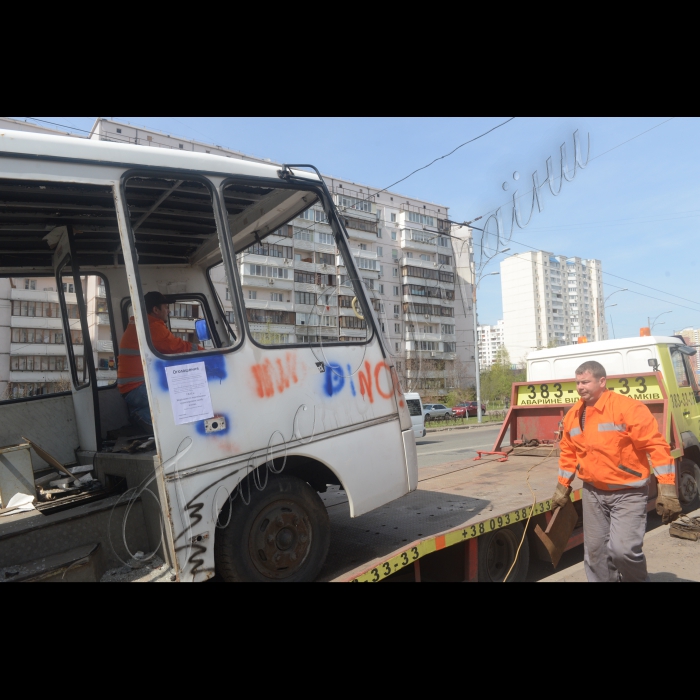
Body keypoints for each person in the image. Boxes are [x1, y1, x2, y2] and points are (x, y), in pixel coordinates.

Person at [551, 360, 682, 582]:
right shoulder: (574, 414)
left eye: (585, 382)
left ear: (602, 381)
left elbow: (657, 447)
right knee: (595, 553)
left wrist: (667, 488)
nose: (580, 387)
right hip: (593, 493)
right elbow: (569, 453)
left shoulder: (628, 408)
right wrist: (562, 487)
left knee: (624, 551)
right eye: (577, 382)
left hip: (628, 492)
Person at [118, 291, 202, 433]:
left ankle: (143, 415)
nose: (168, 311)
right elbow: (176, 347)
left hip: (131, 388)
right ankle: (143, 417)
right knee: (184, 394)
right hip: (137, 388)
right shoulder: (152, 327)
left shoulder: (140, 323)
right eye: (166, 307)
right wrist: (203, 351)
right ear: (155, 310)